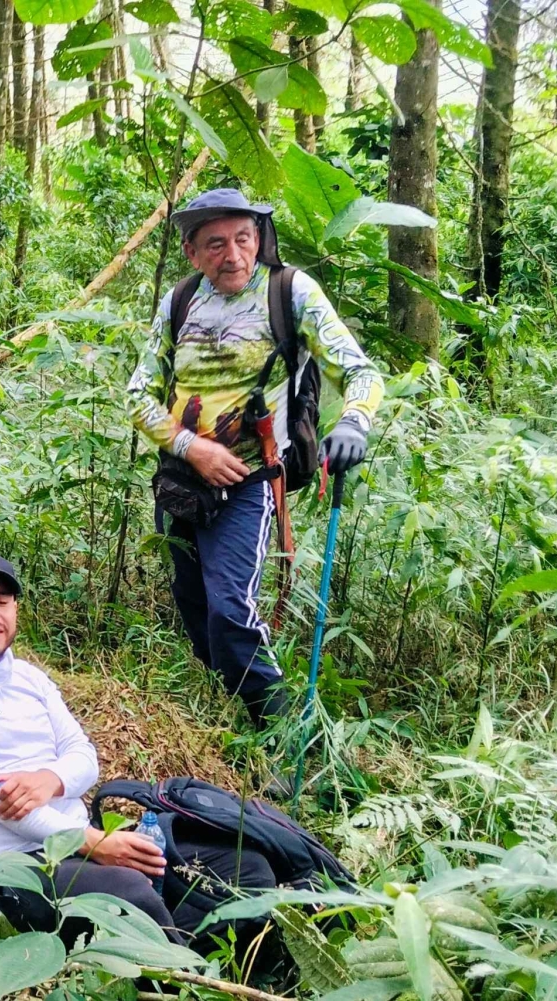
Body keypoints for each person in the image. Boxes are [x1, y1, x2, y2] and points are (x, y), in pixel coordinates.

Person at [0, 548, 276, 943]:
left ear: (15, 611)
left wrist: (51, 779)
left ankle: (191, 956)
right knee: (127, 897)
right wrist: (94, 843)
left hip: (81, 843)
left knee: (243, 868)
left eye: (2, 601)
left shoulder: (29, 678)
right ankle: (181, 965)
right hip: (8, 871)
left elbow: (85, 758)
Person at [126, 189, 384, 730]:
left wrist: (354, 421)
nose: (233, 255)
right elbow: (138, 395)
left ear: (259, 238)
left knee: (231, 610)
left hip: (249, 481)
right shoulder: (180, 301)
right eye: (215, 244)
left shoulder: (290, 292)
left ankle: (280, 729)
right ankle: (230, 713)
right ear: (192, 252)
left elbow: (359, 372)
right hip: (180, 480)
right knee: (193, 604)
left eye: (243, 239)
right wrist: (190, 447)